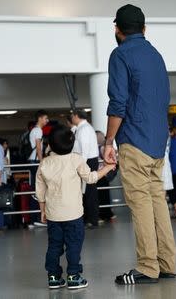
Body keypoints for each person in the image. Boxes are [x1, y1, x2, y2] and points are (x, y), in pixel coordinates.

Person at [104, 4, 176, 285]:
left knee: (141, 203)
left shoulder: (120, 54)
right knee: (157, 199)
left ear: (117, 30)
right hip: (158, 141)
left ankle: (148, 267)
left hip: (134, 139)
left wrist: (109, 141)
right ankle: (167, 262)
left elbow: (118, 102)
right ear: (144, 29)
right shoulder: (156, 55)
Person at [36, 125, 115, 289]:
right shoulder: (76, 159)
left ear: (50, 144)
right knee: (74, 245)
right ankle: (73, 276)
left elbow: (40, 191)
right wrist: (107, 167)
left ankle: (53, 277)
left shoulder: (44, 163)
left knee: (54, 246)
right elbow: (91, 178)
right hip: (73, 214)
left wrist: (42, 210)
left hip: (53, 214)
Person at [71, 110, 100, 228]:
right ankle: (90, 218)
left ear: (77, 116)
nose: (71, 118)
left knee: (89, 191)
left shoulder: (84, 129)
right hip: (88, 161)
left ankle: (92, 219)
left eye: (72, 115)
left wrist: (80, 164)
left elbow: (85, 149)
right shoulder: (84, 128)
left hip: (88, 161)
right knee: (88, 191)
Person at [29, 110, 49, 227]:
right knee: (38, 189)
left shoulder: (34, 130)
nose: (47, 121)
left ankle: (35, 218)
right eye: (46, 118)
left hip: (33, 162)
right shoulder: (38, 130)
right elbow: (38, 147)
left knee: (37, 189)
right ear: (40, 118)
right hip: (35, 162)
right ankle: (37, 218)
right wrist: (42, 162)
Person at [96, 130, 116, 222]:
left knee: (101, 195)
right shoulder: (103, 148)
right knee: (104, 195)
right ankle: (107, 214)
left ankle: (103, 214)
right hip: (103, 174)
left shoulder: (100, 148)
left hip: (98, 175)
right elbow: (115, 153)